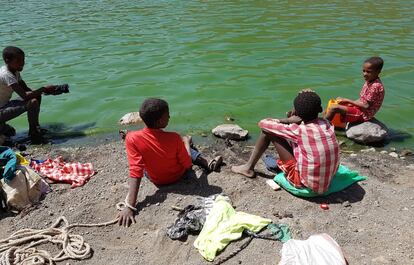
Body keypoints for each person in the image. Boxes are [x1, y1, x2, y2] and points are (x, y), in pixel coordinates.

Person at [118, 98, 223, 227]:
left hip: (156, 179)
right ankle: (205, 162)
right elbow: (187, 164)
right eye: (167, 115)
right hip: (178, 175)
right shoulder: (174, 138)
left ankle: (194, 152)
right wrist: (185, 142)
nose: (170, 117)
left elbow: (136, 170)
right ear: (161, 120)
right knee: (189, 149)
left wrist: (130, 206)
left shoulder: (132, 138)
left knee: (147, 156)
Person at [232, 89, 340, 194]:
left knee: (268, 132)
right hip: (328, 180)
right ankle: (248, 167)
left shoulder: (299, 130)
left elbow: (263, 123)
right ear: (320, 109)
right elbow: (311, 111)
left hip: (306, 184)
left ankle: (248, 168)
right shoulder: (327, 124)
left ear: (297, 114)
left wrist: (287, 120)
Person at [0, 46, 57, 144]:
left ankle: (34, 128)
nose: (22, 63)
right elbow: (25, 96)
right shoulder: (6, 74)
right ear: (7, 61)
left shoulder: (14, 71)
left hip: (3, 108)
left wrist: (48, 91)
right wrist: (43, 89)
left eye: (23, 60)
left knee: (35, 96)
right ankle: (35, 134)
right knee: (33, 101)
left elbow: (27, 90)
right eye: (18, 60)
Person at [325, 56, 385, 123]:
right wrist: (349, 103)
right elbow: (362, 99)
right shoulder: (370, 81)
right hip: (360, 109)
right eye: (364, 71)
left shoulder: (375, 86)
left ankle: (322, 127)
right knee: (334, 103)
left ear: (378, 72)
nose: (364, 74)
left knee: (334, 108)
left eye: (368, 72)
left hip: (364, 114)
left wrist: (348, 101)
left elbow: (366, 106)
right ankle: (326, 121)